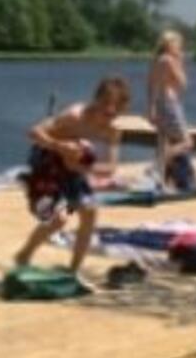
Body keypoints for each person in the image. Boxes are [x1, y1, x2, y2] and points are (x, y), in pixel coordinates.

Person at [15, 77, 130, 284]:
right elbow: (34, 132)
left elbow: (110, 168)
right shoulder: (74, 115)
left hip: (74, 170)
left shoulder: (113, 132)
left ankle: (73, 270)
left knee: (90, 212)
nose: (110, 112)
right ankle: (24, 255)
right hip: (47, 163)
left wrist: (82, 167)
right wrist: (60, 147)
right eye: (106, 105)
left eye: (116, 110)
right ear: (96, 100)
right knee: (58, 219)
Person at [147, 30, 194, 189]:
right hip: (170, 104)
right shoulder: (169, 60)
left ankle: (162, 180)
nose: (181, 48)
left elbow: (151, 85)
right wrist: (179, 61)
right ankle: (155, 166)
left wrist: (151, 108)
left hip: (160, 104)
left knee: (163, 142)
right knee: (187, 142)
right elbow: (183, 83)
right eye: (179, 44)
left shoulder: (158, 60)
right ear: (170, 44)